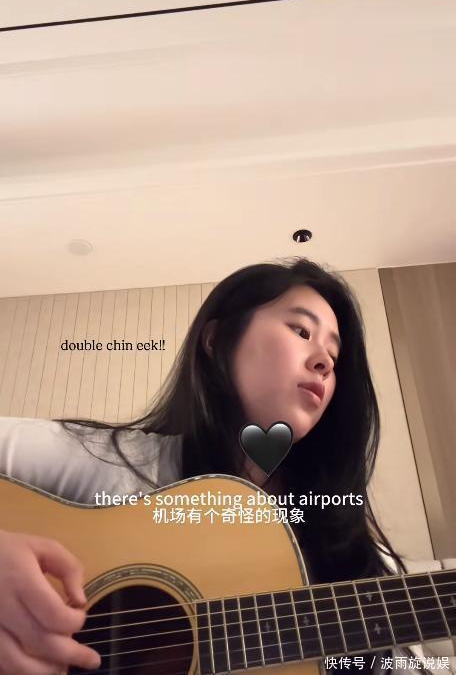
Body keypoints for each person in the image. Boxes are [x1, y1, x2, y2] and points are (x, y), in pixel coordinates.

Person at [0, 257, 454, 675]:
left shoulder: (355, 561)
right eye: (301, 331)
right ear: (216, 340)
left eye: (334, 359)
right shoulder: (112, 463)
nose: (323, 362)